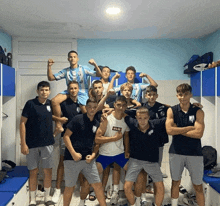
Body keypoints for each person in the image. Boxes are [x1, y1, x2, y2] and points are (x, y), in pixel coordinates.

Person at [166, 83, 205, 206]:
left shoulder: (198, 111)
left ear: (190, 95)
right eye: (180, 94)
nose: (183, 97)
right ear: (177, 96)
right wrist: (188, 128)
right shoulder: (172, 110)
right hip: (176, 152)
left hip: (195, 153)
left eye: (186, 94)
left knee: (198, 185)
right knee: (175, 182)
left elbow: (199, 133)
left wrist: (179, 130)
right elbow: (170, 130)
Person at [63, 98, 107, 206]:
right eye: (90, 107)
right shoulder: (77, 119)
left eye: (94, 107)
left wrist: (93, 155)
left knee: (97, 185)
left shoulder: (97, 123)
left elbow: (97, 143)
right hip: (72, 159)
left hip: (88, 161)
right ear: (86, 108)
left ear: (97, 108)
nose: (92, 109)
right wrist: (73, 153)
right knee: (70, 187)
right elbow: (66, 136)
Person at [47, 50, 103, 136]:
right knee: (54, 101)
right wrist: (49, 66)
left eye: (74, 57)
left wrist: (95, 64)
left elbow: (99, 75)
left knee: (86, 112)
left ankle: (90, 129)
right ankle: (58, 126)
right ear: (68, 59)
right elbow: (51, 78)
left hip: (82, 92)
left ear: (77, 58)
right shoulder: (66, 71)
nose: (72, 58)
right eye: (71, 57)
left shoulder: (83, 68)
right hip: (70, 91)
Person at [20, 81, 57, 205]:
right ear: (37, 91)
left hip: (47, 144)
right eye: (42, 90)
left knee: (48, 171)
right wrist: (23, 143)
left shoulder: (51, 104)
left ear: (49, 91)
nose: (44, 92)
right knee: (33, 171)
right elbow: (22, 123)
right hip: (31, 144)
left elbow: (55, 118)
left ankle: (47, 197)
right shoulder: (30, 104)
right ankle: (33, 199)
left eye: (46, 90)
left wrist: (57, 129)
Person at [124, 107, 165, 206]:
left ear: (149, 117)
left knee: (160, 186)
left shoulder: (156, 124)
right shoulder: (132, 123)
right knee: (127, 187)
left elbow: (172, 114)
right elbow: (123, 113)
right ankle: (134, 205)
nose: (142, 121)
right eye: (140, 118)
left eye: (145, 118)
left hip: (151, 161)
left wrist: (193, 106)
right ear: (136, 118)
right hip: (135, 160)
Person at [95, 95, 130, 205]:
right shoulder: (106, 118)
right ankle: (85, 200)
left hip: (119, 153)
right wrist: (113, 139)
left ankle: (137, 199)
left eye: (123, 105)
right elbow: (97, 139)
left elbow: (126, 136)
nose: (120, 108)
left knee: (137, 173)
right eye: (118, 105)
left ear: (126, 106)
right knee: (92, 176)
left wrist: (127, 151)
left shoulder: (126, 119)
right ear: (114, 105)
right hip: (105, 154)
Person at [52, 80, 82, 203]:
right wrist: (59, 120)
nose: (73, 90)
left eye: (75, 88)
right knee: (62, 162)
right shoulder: (63, 103)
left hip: (80, 138)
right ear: (68, 90)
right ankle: (58, 189)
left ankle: (80, 188)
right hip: (66, 136)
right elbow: (51, 115)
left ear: (78, 89)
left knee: (81, 162)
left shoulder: (82, 103)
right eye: (71, 88)